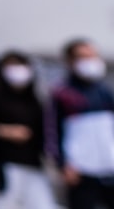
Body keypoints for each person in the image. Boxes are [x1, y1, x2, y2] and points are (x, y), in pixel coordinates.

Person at [0, 51, 55, 209]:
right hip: (3, 163)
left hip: (32, 163)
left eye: (20, 65)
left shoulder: (36, 99)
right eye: (11, 66)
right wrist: (6, 131)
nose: (17, 71)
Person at [47, 39, 114, 208]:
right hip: (80, 170)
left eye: (92, 56)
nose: (90, 62)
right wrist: (62, 165)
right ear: (70, 61)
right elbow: (51, 132)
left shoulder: (105, 90)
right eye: (83, 57)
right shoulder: (63, 93)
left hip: (109, 167)